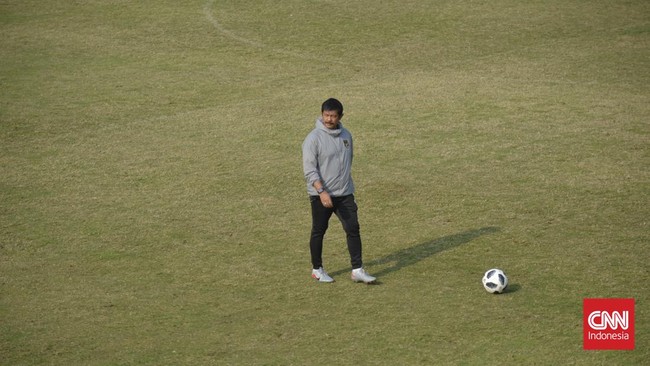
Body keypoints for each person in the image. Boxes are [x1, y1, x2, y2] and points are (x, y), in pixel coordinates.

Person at [302, 98, 376, 284]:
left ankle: (357, 270)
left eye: (333, 116)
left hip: (344, 193)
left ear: (340, 116)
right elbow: (310, 169)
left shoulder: (346, 136)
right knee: (319, 230)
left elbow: (348, 161)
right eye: (326, 115)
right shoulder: (313, 139)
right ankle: (317, 269)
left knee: (353, 228)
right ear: (322, 114)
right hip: (321, 194)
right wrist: (321, 191)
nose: (329, 119)